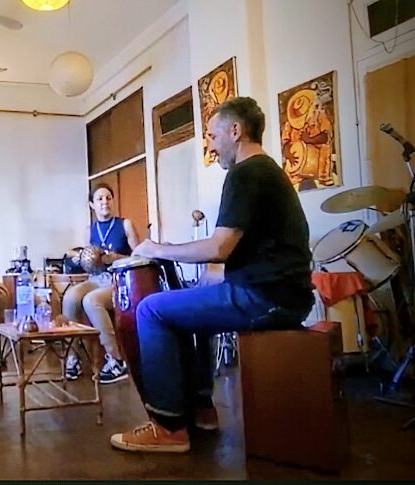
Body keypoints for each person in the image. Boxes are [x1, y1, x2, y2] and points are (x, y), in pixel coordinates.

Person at [109, 96, 314, 453]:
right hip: (283, 294)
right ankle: (202, 410)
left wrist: (157, 248)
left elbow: (219, 247)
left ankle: (168, 427)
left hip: (266, 298)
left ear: (236, 131)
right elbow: (245, 249)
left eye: (212, 135)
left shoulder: (246, 173)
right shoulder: (266, 171)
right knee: (187, 309)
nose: (210, 144)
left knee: (151, 310)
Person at [62, 183, 139, 384]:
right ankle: (73, 356)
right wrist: (80, 258)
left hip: (117, 280)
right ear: (92, 205)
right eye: (100, 199)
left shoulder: (125, 224)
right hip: (95, 278)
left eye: (108, 198)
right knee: (70, 296)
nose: (105, 202)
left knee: (91, 301)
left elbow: (140, 256)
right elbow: (84, 258)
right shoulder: (90, 230)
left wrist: (116, 258)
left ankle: (115, 359)